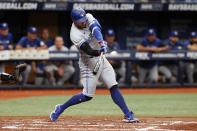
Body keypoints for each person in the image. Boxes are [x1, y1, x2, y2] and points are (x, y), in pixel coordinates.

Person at [50, 8, 138, 123]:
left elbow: (96, 29)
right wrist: (99, 51)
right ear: (73, 20)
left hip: (101, 60)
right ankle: (60, 108)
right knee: (87, 96)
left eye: (83, 19)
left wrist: (101, 42)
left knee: (113, 85)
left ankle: (127, 114)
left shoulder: (88, 17)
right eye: (80, 20)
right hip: (88, 63)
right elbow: (88, 50)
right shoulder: (74, 34)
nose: (83, 22)